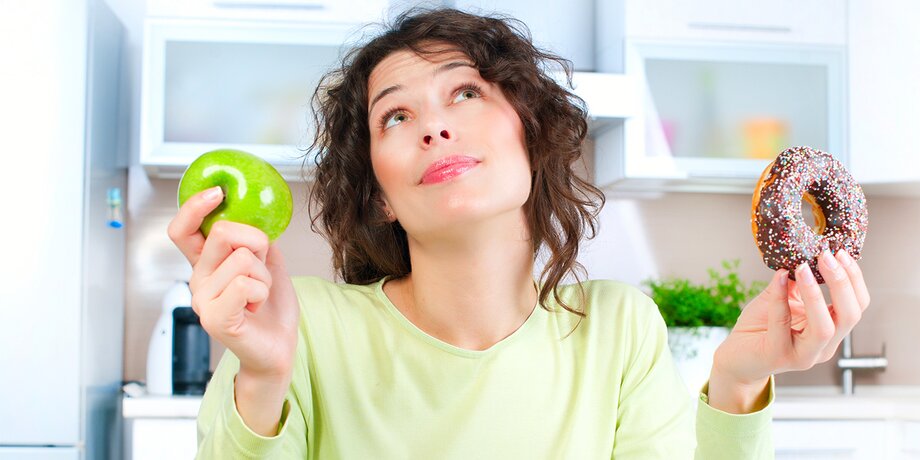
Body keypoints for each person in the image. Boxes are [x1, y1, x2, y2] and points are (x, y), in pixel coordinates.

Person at [167, 8, 870, 459]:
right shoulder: (298, 327)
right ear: (378, 195)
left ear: (531, 136)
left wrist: (740, 380)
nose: (434, 126)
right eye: (396, 116)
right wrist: (263, 377)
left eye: (466, 92)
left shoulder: (619, 330)